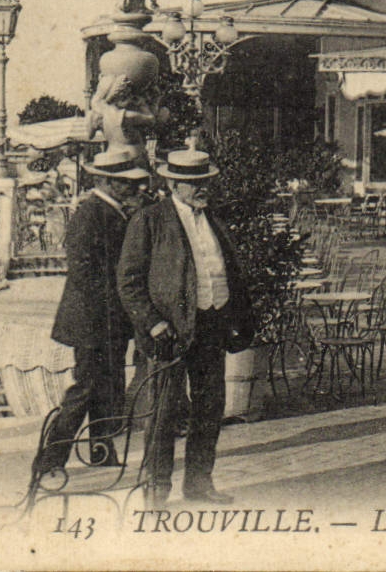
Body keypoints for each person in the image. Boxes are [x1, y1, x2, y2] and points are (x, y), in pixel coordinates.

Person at [116, 147, 255, 508]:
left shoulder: (213, 219)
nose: (202, 189)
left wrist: (237, 318)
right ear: (174, 184)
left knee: (210, 408)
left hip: (212, 324)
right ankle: (156, 491)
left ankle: (198, 483)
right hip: (170, 334)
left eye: (205, 181)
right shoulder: (150, 220)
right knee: (163, 413)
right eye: (194, 183)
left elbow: (227, 272)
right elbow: (129, 282)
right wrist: (155, 324)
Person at [33, 149, 150, 477]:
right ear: (109, 182)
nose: (135, 189)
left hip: (108, 320)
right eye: (128, 183)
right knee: (85, 388)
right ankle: (50, 460)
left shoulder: (112, 212)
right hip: (93, 321)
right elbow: (83, 272)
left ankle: (101, 451)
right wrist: (113, 310)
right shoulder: (90, 213)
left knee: (109, 386)